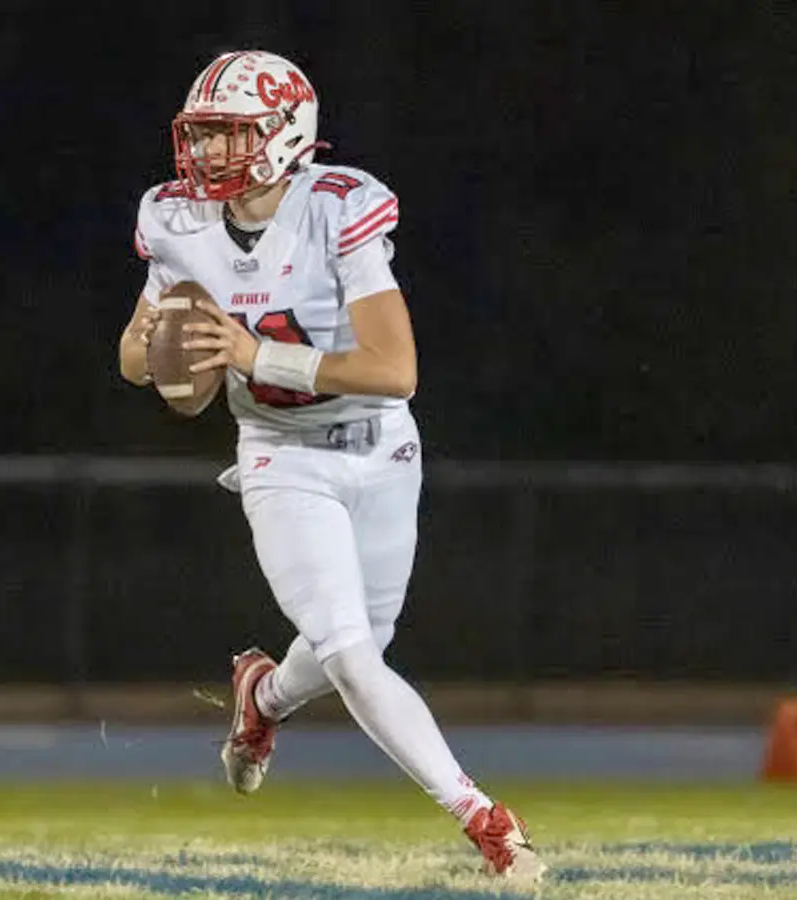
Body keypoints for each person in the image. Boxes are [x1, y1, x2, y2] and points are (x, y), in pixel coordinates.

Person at [117, 51, 545, 882]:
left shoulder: (337, 207)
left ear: (284, 134)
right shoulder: (175, 220)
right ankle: (484, 818)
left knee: (367, 643)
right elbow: (136, 356)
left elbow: (395, 370)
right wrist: (152, 347)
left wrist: (256, 355)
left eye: (227, 134)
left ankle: (263, 698)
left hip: (381, 446)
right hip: (281, 455)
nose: (205, 152)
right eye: (200, 135)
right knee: (350, 653)